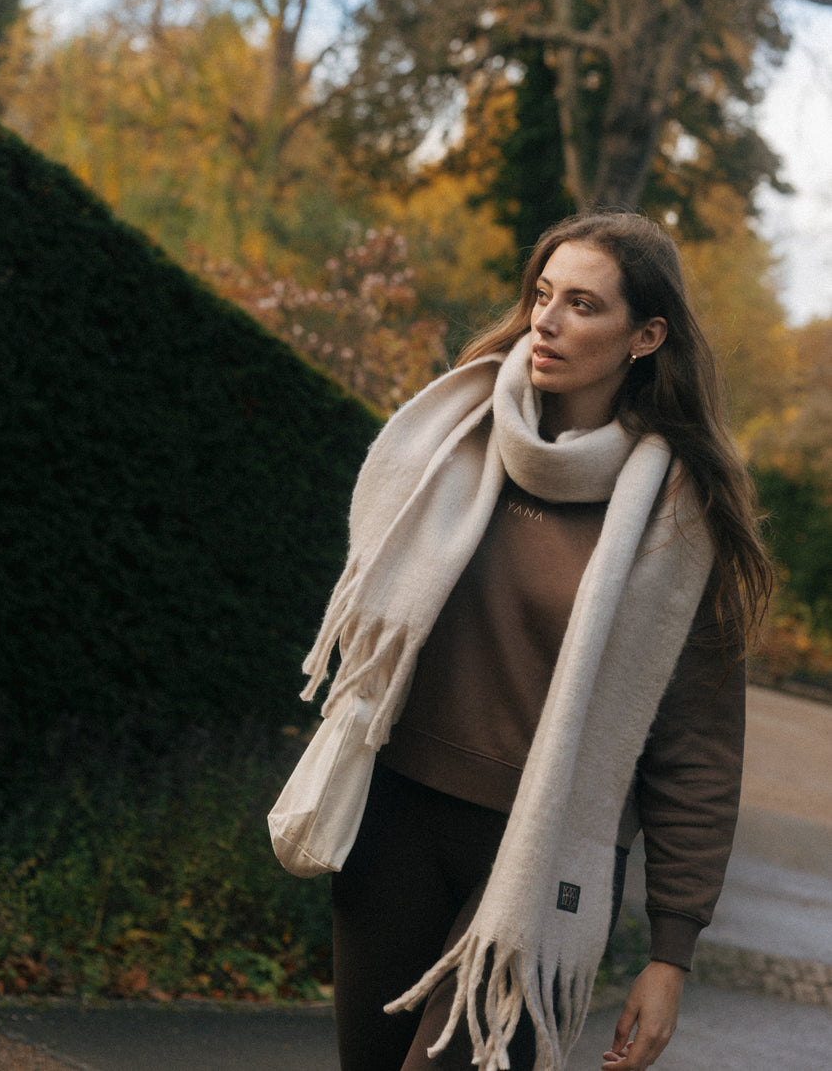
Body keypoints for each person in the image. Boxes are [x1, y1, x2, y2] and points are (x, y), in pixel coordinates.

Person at [294, 212, 772, 1071]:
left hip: (544, 853)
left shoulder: (678, 518)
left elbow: (697, 748)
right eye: (542, 295)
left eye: (583, 304)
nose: (546, 321)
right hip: (397, 818)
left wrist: (671, 952)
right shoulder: (457, 438)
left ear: (645, 335)